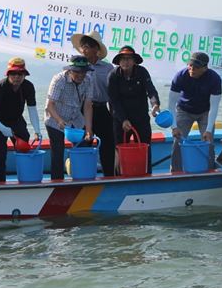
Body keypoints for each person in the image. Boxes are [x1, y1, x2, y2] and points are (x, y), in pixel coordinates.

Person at [0, 57, 41, 182]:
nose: (17, 77)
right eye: (13, 73)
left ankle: (25, 179)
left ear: (25, 75)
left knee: (24, 151)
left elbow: (32, 109)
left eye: (20, 74)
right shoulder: (1, 87)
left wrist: (37, 130)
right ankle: (0, 183)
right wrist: (3, 128)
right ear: (8, 74)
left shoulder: (28, 86)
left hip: (16, 120)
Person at [108, 46, 160, 174]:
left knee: (145, 148)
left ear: (134, 61)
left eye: (129, 59)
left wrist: (155, 104)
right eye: (123, 59)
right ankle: (119, 178)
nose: (126, 62)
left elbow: (151, 90)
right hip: (120, 118)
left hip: (140, 117)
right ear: (118, 62)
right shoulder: (113, 75)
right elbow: (113, 100)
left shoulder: (142, 72)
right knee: (118, 149)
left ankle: (146, 175)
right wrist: (123, 119)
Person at [168, 52, 222, 172]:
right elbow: (171, 105)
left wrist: (208, 130)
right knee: (178, 141)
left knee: (209, 142)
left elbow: (214, 106)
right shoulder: (180, 76)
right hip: (184, 110)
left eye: (196, 67)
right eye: (190, 65)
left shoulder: (214, 79)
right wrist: (174, 127)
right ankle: (175, 171)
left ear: (205, 68)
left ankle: (209, 169)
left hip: (205, 111)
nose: (192, 69)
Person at [71, 31, 115, 176]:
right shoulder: (76, 68)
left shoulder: (108, 69)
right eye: (82, 46)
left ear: (96, 49)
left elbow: (113, 94)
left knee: (108, 144)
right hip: (81, 111)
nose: (84, 49)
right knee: (82, 144)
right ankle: (82, 177)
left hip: (102, 109)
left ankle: (109, 176)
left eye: (88, 46)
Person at [45, 55, 94, 180]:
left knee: (85, 144)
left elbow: (88, 106)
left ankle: (80, 177)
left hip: (75, 118)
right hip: (55, 119)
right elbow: (50, 106)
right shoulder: (59, 80)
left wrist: (88, 129)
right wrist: (59, 120)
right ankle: (57, 182)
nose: (80, 75)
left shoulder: (88, 80)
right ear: (70, 70)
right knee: (57, 152)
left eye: (83, 72)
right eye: (77, 72)